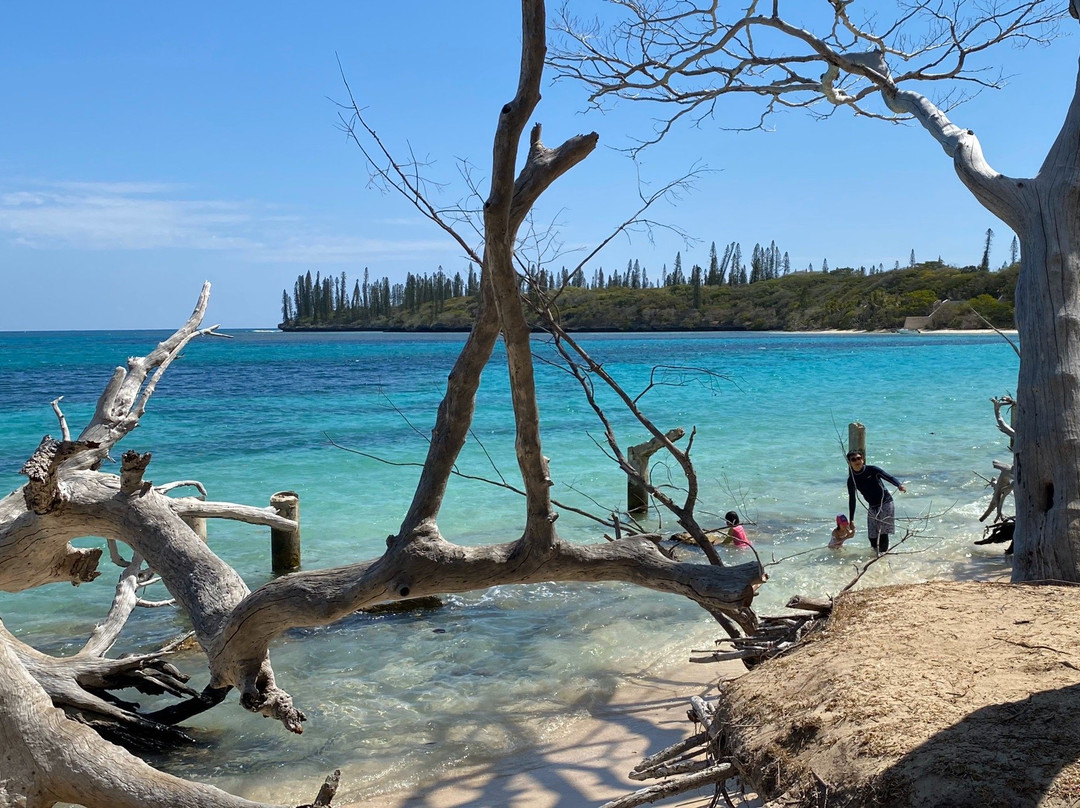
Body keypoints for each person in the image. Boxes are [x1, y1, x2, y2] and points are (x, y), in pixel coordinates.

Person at [846, 450, 906, 554]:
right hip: (872, 506)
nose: (857, 461)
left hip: (886, 502)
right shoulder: (852, 480)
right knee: (872, 536)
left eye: (859, 458)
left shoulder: (872, 470)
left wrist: (899, 485)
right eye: (853, 459)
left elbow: (888, 477)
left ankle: (882, 555)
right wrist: (851, 520)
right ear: (849, 462)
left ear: (863, 459)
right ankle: (876, 555)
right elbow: (852, 499)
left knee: (882, 533)